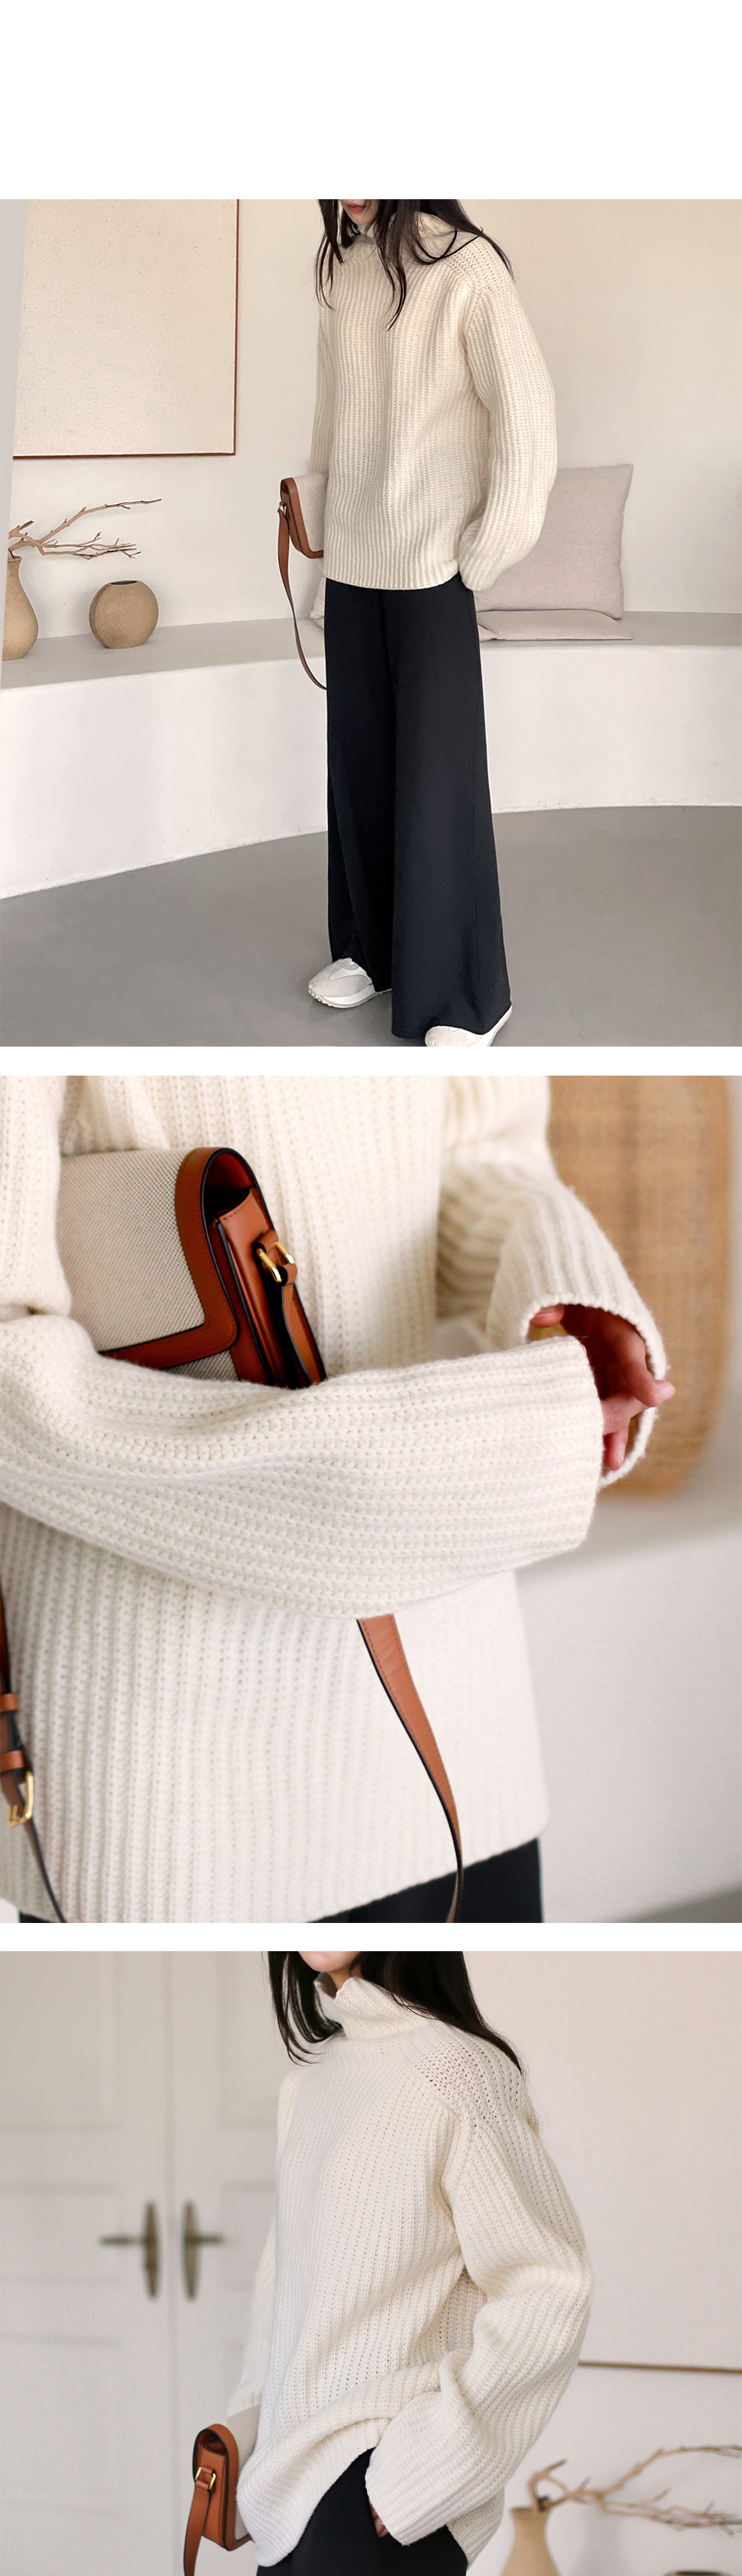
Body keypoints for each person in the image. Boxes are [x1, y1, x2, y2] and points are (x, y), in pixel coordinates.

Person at [0, 1070, 672, 1923]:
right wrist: (485, 1446)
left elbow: (478, 1147)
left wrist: (560, 1279)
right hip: (177, 1766)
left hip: (457, 1691)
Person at [225, 1950, 592, 2576]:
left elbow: (547, 2282)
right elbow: (286, 2285)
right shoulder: (311, 2081)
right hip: (290, 2493)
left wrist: (414, 2475)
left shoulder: (459, 2072)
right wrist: (248, 2429)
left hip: (378, 2501)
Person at [304, 199, 557, 1047]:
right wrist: (321, 545)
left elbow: (527, 420)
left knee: (437, 784)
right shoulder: (344, 269)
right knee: (360, 770)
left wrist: (481, 554)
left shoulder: (466, 267)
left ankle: (465, 996)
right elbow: (331, 422)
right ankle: (369, 950)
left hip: (432, 569)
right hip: (353, 563)